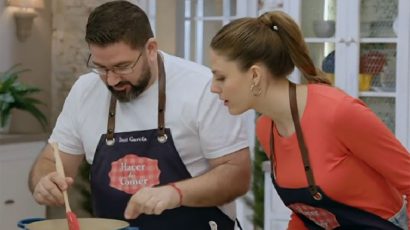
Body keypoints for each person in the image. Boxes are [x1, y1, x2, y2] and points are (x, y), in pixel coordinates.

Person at [28, 1, 251, 229]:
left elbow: (237, 174)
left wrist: (175, 193)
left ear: (151, 49)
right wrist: (44, 180)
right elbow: (51, 159)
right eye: (101, 68)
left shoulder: (202, 87)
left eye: (122, 66)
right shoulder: (84, 91)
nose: (112, 80)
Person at [209, 10, 410, 229]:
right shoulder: (266, 129)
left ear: (255, 75)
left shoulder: (337, 112)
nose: (213, 87)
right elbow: (307, 213)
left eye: (221, 77)